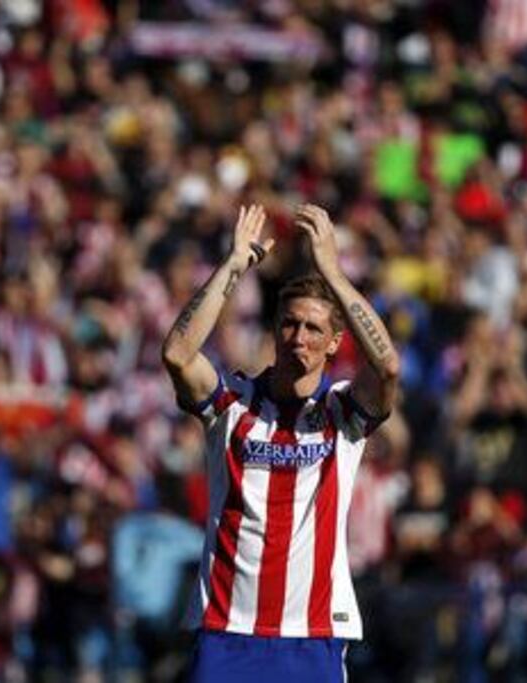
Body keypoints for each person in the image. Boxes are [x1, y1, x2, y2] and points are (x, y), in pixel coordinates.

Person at [161, 204, 400, 683]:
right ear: (274, 330)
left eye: (314, 328)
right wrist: (231, 267)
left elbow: (387, 367)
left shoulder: (341, 414)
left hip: (312, 637)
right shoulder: (233, 404)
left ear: (334, 343)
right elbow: (178, 353)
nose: (299, 338)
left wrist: (331, 271)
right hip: (227, 631)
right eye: (290, 323)